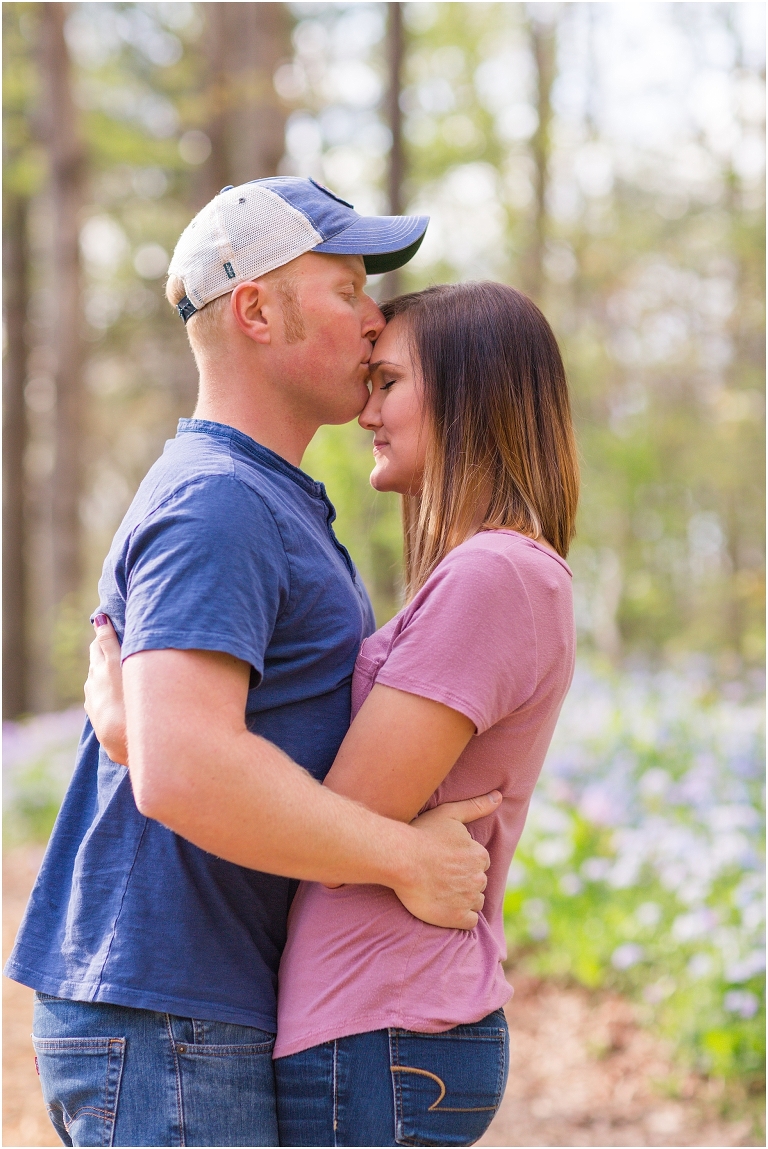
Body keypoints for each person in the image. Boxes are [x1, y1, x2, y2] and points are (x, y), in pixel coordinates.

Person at [5, 179, 499, 1149]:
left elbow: (173, 743)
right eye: (348, 288)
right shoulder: (220, 502)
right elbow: (186, 769)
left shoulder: (258, 498)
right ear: (256, 310)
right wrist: (407, 861)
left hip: (188, 1007)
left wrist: (133, 729)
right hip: (169, 1015)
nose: (376, 320)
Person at [86, 280, 580, 1147]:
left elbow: (353, 805)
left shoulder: (493, 574)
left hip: (382, 1023)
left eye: (388, 383)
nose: (367, 411)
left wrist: (150, 728)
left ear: (469, 392)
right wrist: (152, 725)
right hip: (363, 1023)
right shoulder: (480, 571)